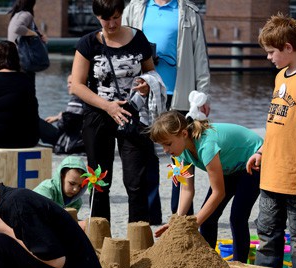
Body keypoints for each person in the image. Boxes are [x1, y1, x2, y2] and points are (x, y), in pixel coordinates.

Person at [70, 0, 160, 224]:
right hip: (98, 115)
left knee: (136, 181)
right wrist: (107, 105)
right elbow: (77, 85)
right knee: (99, 181)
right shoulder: (88, 43)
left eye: (116, 18)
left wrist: (147, 85)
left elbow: (151, 71)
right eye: (105, 18)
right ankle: (100, 241)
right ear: (97, 17)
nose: (111, 24)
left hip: (131, 115)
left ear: (122, 14)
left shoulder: (138, 38)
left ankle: (139, 238)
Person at [122, 0, 211, 218]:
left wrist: (203, 94)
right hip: (144, 92)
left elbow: (199, 54)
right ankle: (150, 213)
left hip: (179, 92)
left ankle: (179, 212)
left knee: (181, 153)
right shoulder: (134, 8)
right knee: (145, 153)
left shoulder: (189, 11)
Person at [246, 14, 296, 268]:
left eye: (271, 52)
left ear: (288, 47)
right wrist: (262, 151)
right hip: (271, 174)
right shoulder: (280, 77)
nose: (268, 57)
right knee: (266, 233)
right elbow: (277, 121)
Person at [149, 112, 261, 263]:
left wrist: (193, 225)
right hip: (230, 166)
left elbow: (218, 192)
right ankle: (209, 264)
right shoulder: (179, 152)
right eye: (162, 146)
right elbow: (186, 189)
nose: (165, 150)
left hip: (253, 159)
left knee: (237, 217)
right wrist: (177, 222)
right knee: (208, 219)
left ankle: (239, 265)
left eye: (168, 144)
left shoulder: (206, 145)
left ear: (183, 133)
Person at [38, 75, 85, 154]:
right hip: (76, 139)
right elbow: (76, 118)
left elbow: (66, 125)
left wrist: (60, 117)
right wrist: (58, 117)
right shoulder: (85, 99)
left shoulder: (76, 99)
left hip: (68, 141)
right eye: (67, 83)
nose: (68, 85)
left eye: (70, 83)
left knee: (34, 122)